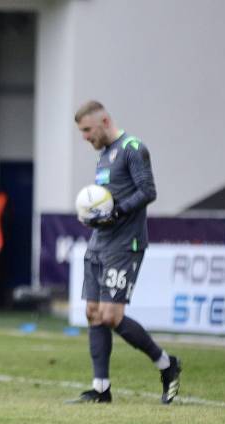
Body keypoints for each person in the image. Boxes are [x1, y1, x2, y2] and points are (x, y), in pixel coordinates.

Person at [71, 100, 181, 404]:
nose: (85, 137)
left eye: (87, 130)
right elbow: (107, 199)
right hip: (99, 243)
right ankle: (101, 389)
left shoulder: (133, 148)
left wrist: (116, 213)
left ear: (104, 121)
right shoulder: (104, 155)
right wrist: (93, 214)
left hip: (125, 244)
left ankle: (167, 364)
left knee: (111, 314)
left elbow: (148, 191)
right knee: (93, 313)